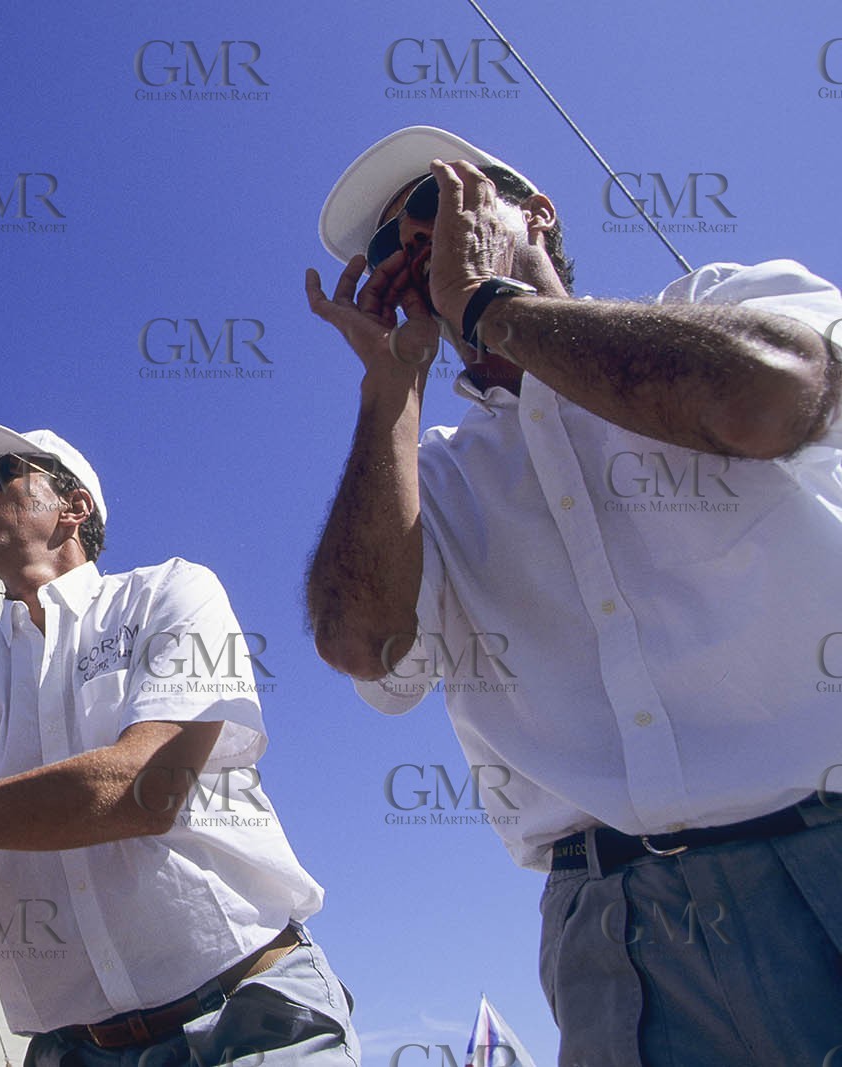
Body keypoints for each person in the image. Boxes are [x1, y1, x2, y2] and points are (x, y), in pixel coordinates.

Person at [304, 125, 842, 1065]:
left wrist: (490, 307)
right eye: (389, 250)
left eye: (435, 204)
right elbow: (364, 647)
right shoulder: (433, 479)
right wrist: (390, 389)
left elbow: (770, 396)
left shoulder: (713, 303)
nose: (414, 249)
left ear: (537, 213)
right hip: (615, 931)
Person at [0, 425, 358, 1067]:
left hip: (251, 1014)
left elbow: (144, 788)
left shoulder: (171, 593)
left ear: (73, 507)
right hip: (70, 1051)